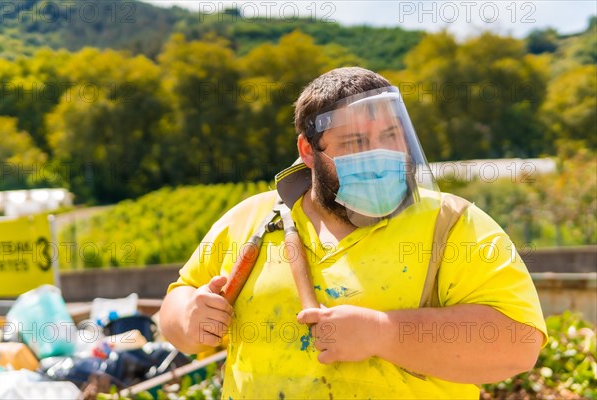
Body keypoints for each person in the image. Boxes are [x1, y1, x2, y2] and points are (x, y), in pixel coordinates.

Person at [160, 67, 548, 399]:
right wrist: (187, 318)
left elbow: (518, 344)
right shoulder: (249, 220)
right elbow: (178, 304)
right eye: (356, 142)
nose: (379, 153)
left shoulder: (453, 224)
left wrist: (384, 334)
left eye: (391, 136)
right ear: (309, 151)